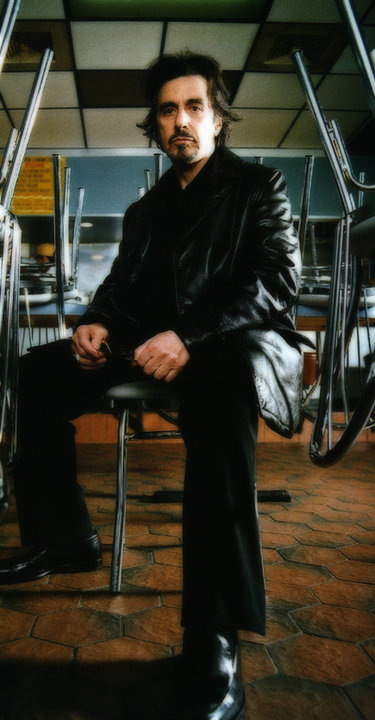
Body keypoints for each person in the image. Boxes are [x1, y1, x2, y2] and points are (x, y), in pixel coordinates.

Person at [0, 52, 303, 720]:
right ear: (156, 125)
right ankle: (63, 540)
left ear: (217, 119)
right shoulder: (146, 210)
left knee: (221, 397)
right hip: (147, 346)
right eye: (168, 110)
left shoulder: (259, 185)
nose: (180, 120)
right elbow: (120, 287)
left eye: (194, 106)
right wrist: (95, 323)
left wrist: (189, 335)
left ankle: (214, 633)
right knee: (32, 374)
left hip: (226, 346)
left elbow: (277, 282)